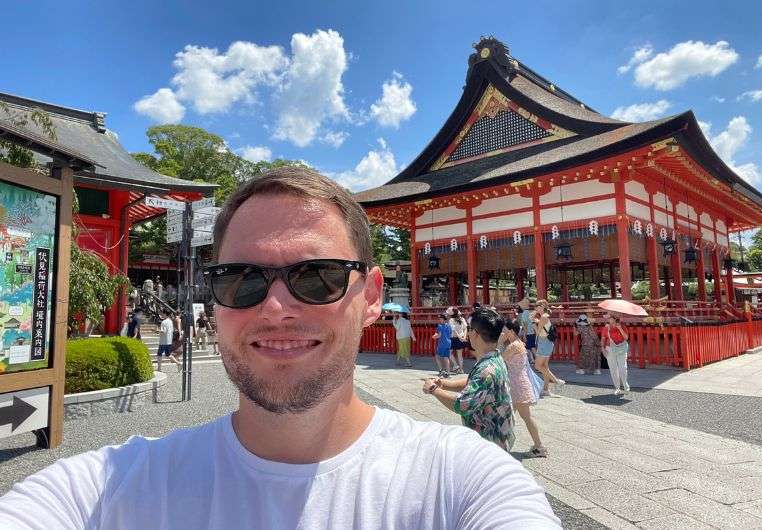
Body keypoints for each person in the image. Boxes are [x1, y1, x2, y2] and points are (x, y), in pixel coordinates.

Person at [0, 167, 560, 529]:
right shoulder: (112, 490)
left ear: (370, 296)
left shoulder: (462, 481)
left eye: (316, 276)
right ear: (214, 298)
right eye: (241, 278)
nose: (274, 307)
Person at [422, 306, 516, 452]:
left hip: (489, 442)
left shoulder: (486, 371)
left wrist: (433, 389)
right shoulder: (495, 357)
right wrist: (445, 384)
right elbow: (473, 383)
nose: (469, 333)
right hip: (498, 435)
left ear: (476, 334)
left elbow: (462, 405)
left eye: (471, 329)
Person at [499, 319, 547, 457]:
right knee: (508, 415)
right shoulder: (518, 343)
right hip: (516, 382)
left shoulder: (514, 345)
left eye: (505, 330)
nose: (503, 332)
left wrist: (499, 342)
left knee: (525, 416)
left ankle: (539, 446)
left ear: (512, 331)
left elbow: (500, 358)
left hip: (518, 384)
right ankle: (501, 443)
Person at [532, 300, 564, 397]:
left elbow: (538, 332)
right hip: (547, 343)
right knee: (545, 367)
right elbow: (543, 324)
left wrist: (534, 325)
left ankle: (556, 381)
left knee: (537, 366)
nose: (536, 307)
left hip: (544, 342)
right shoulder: (544, 316)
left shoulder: (543, 317)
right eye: (536, 306)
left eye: (538, 306)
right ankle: (546, 390)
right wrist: (536, 320)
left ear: (543, 306)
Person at [601, 313, 630, 395]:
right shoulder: (606, 328)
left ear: (614, 318)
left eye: (609, 317)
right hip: (609, 349)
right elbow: (603, 338)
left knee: (623, 368)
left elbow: (626, 338)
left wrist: (620, 328)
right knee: (613, 369)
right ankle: (617, 387)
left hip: (621, 349)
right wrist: (602, 349)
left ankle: (625, 385)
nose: (608, 319)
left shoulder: (622, 326)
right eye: (608, 318)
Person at [432, 313, 452, 378]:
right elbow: (450, 334)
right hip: (448, 343)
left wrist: (434, 337)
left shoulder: (440, 326)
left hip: (442, 343)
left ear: (443, 319)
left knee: (437, 356)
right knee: (446, 358)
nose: (440, 319)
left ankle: (441, 370)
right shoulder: (449, 326)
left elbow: (439, 335)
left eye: (441, 318)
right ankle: (448, 373)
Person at [448, 308, 468, 374]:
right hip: (461, 338)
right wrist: (464, 337)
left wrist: (460, 337)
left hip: (453, 338)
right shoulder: (462, 319)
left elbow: (453, 330)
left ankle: (456, 365)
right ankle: (461, 369)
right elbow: (465, 328)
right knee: (460, 355)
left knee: (449, 352)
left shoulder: (451, 320)